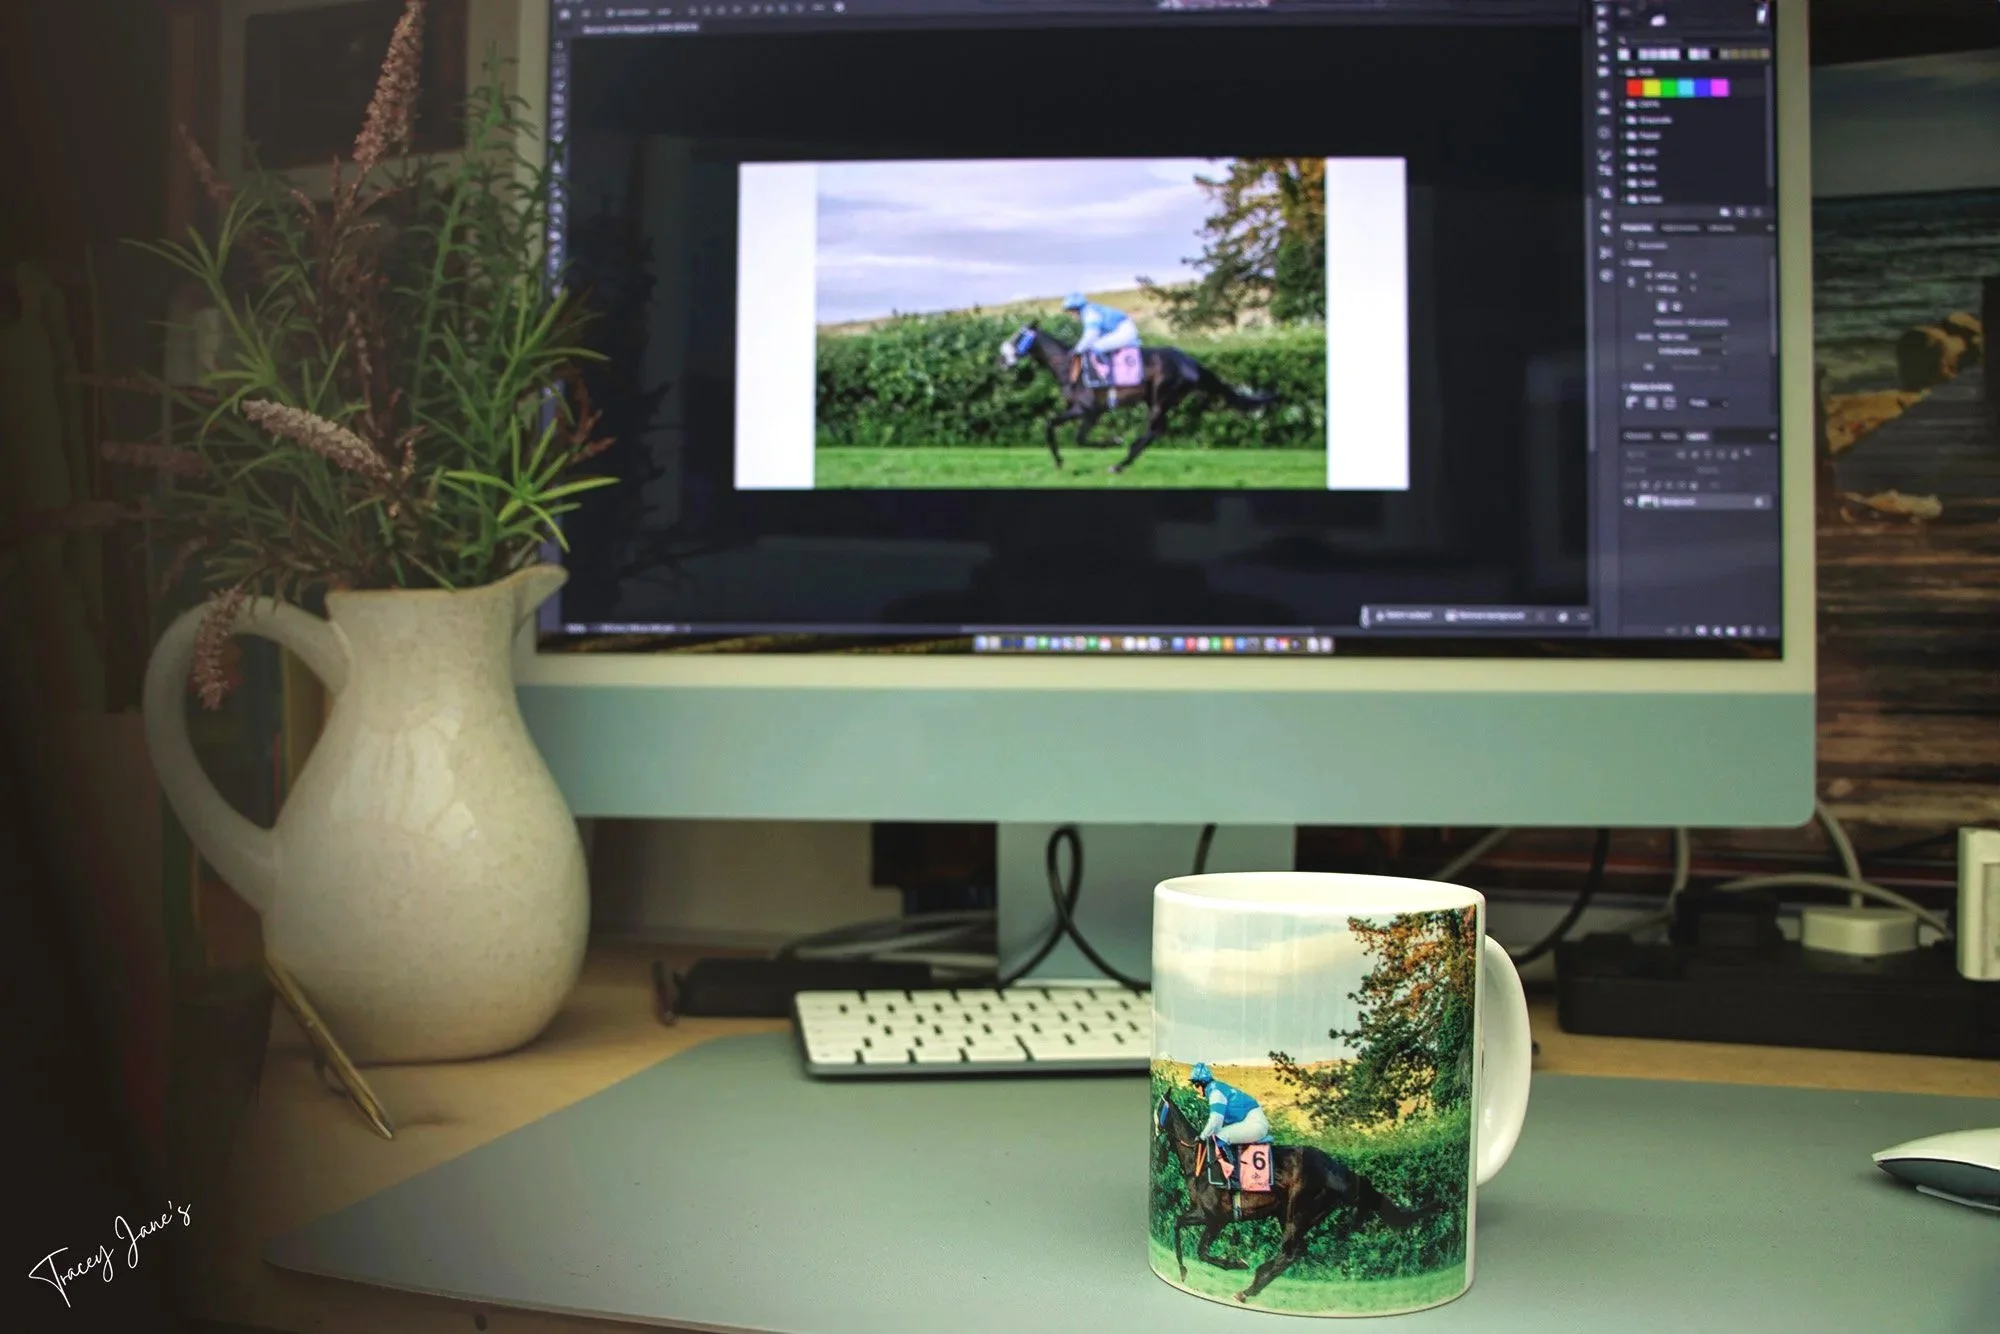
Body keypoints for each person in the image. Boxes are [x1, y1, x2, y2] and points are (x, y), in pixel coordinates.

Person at [1189, 1062, 1270, 1178]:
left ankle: (1235, 1177)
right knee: (1218, 1135)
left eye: (1195, 1086)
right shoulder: (1216, 1088)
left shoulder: (1215, 1093)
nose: (1196, 1089)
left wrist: (1202, 1137)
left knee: (1219, 1136)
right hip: (1251, 1121)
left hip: (1254, 1123)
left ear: (1199, 1084)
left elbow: (1215, 1122)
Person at [1063, 291, 1141, 388]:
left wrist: (1077, 350)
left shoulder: (1090, 313)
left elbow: (1091, 336)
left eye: (1071, 311)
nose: (1071, 314)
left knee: (1095, 346)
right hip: (1120, 330)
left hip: (1124, 331)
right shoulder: (1088, 311)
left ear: (1076, 308)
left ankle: (1105, 377)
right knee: (1094, 346)